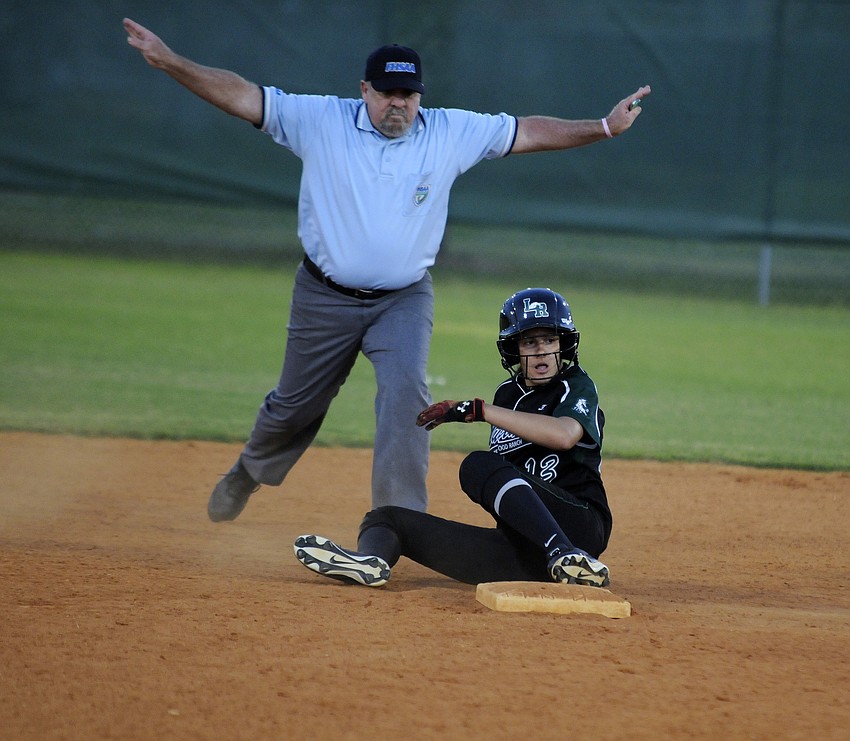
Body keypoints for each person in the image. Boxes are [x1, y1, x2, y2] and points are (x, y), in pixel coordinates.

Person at [123, 18, 649, 523]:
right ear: (365, 90)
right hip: (323, 294)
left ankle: (399, 522)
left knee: (407, 402)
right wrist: (170, 61)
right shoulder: (320, 120)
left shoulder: (449, 131)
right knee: (295, 404)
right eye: (387, 92)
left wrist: (603, 127)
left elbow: (529, 131)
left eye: (409, 94)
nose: (398, 103)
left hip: (403, 299)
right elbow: (242, 95)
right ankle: (249, 472)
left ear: (420, 95)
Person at [294, 287, 612, 588]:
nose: (540, 350)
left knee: (478, 465)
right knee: (386, 518)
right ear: (513, 348)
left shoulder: (575, 384)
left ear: (564, 344)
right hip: (525, 550)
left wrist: (480, 411)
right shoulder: (507, 395)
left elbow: (565, 435)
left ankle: (566, 555)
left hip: (579, 527)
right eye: (529, 342)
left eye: (549, 339)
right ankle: (369, 562)